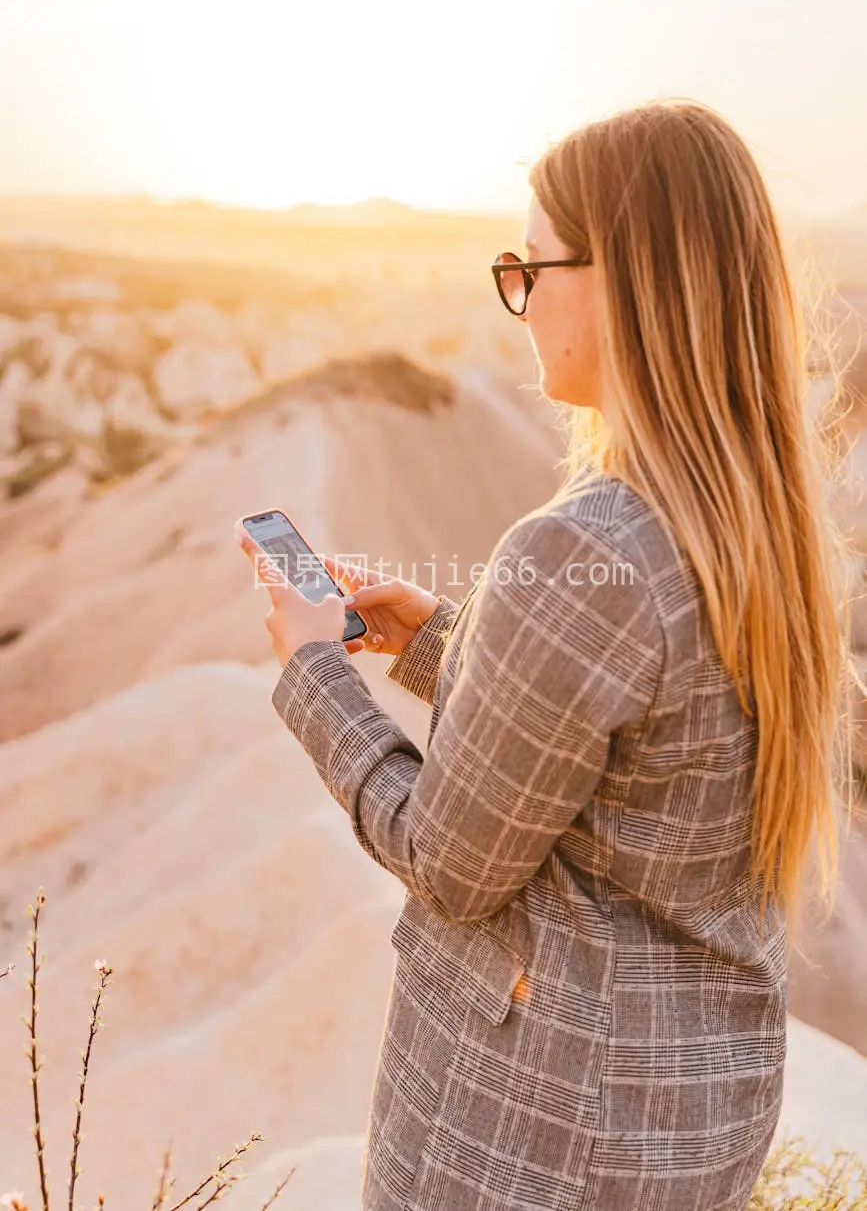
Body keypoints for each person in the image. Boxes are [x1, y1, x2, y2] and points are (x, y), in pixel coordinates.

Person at [235, 98, 858, 1210]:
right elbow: (639, 757)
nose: (516, 301)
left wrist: (309, 667)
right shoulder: (759, 526)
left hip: (536, 1133)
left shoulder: (579, 544)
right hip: (690, 1116)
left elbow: (449, 862)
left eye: (530, 267)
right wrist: (440, 642)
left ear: (625, 279)